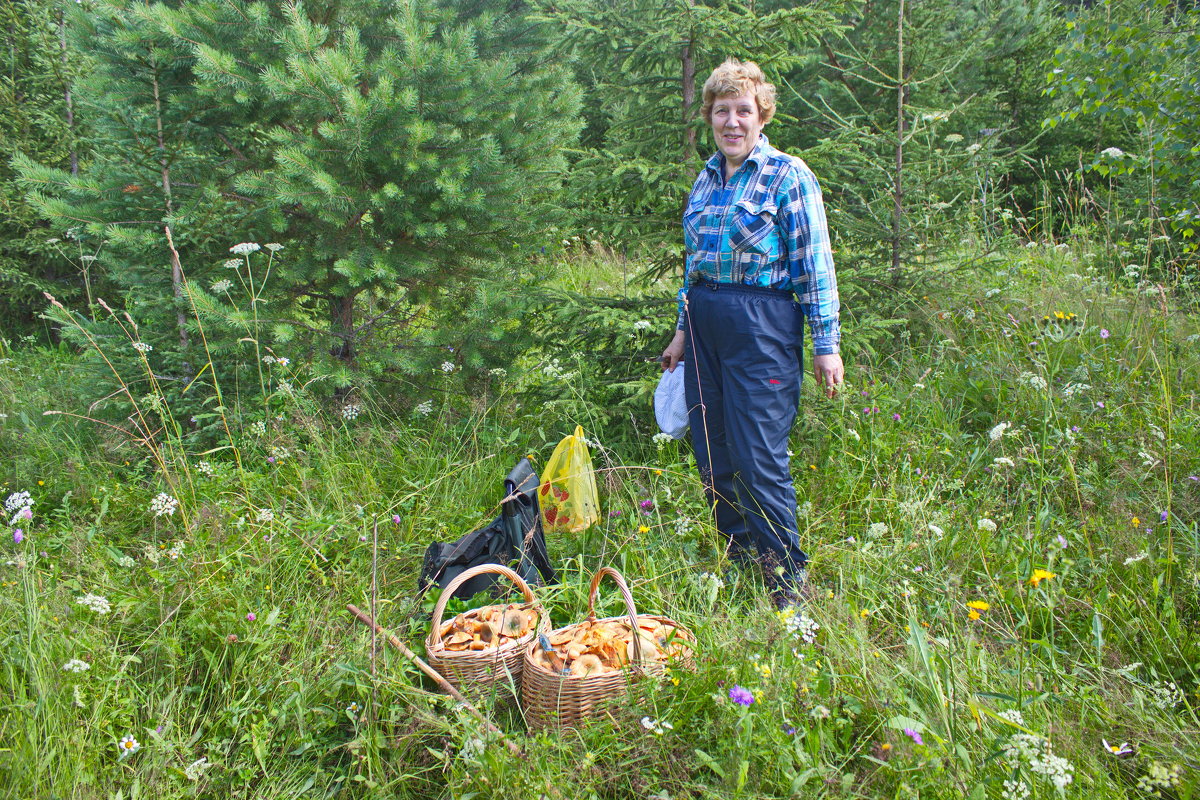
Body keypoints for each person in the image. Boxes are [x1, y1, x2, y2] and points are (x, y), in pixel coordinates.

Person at [659, 57, 844, 608]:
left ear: (761, 115)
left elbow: (815, 264)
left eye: (743, 110)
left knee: (759, 456)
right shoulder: (706, 178)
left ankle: (788, 583)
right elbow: (696, 266)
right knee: (712, 451)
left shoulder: (789, 175)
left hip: (763, 328)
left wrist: (826, 345)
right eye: (722, 112)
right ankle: (740, 561)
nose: (732, 122)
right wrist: (680, 333)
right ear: (710, 119)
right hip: (704, 325)